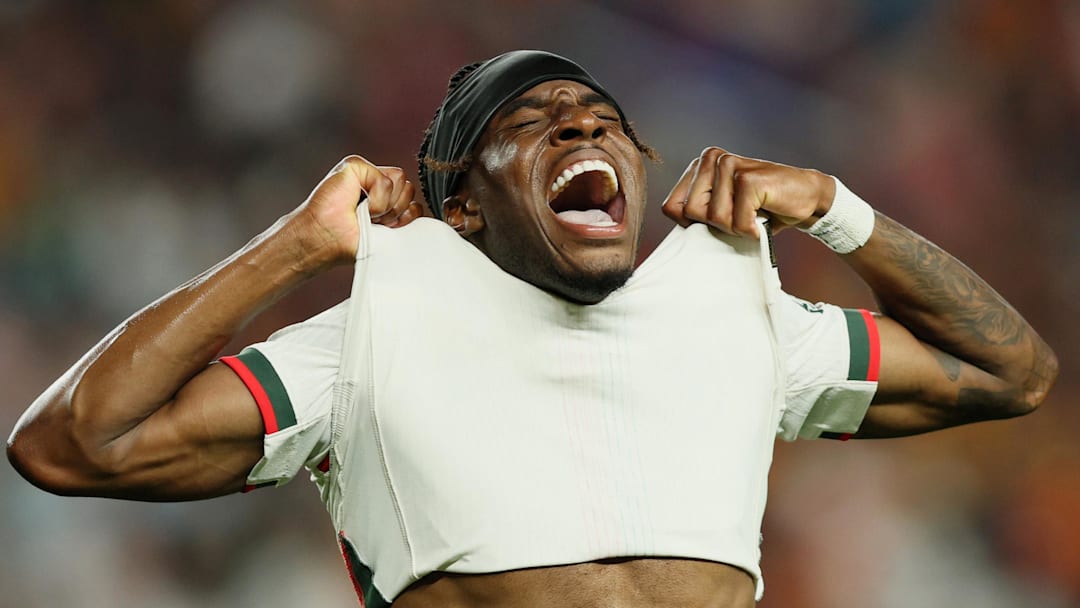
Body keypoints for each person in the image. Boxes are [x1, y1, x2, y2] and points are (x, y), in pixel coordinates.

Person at [6, 50, 1058, 608]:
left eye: (603, 119)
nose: (584, 126)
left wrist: (839, 207)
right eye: (533, 121)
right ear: (461, 203)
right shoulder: (375, 331)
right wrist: (295, 245)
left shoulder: (736, 315)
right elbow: (67, 441)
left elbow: (1012, 370)